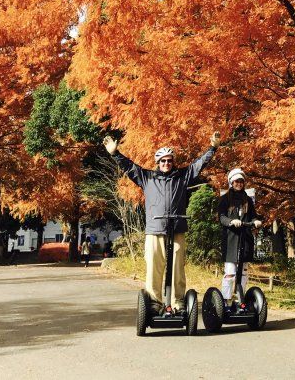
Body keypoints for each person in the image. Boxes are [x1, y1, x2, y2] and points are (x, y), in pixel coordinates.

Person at [103, 131, 220, 314]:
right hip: (155, 230)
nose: (166, 163)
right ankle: (154, 302)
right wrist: (115, 153)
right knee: (154, 268)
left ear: (173, 162)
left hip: (177, 229)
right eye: (163, 161)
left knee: (177, 267)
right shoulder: (147, 177)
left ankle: (178, 301)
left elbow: (199, 164)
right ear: (158, 162)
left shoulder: (182, 176)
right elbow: (129, 167)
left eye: (169, 160)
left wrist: (212, 148)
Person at [218, 168, 262, 312]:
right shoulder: (225, 199)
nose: (239, 184)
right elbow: (221, 217)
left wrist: (256, 221)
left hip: (245, 239)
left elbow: (253, 216)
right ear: (231, 182)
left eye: (241, 181)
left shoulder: (247, 199)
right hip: (231, 239)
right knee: (230, 272)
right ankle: (226, 301)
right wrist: (231, 221)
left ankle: (240, 300)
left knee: (243, 272)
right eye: (236, 181)